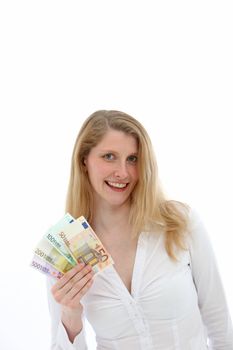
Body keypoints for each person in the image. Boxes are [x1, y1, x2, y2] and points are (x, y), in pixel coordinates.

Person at [47, 110, 233, 349]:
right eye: (109, 156)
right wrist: (70, 314)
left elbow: (220, 327)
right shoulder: (66, 249)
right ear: (84, 160)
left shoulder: (179, 224)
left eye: (132, 159)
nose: (123, 172)